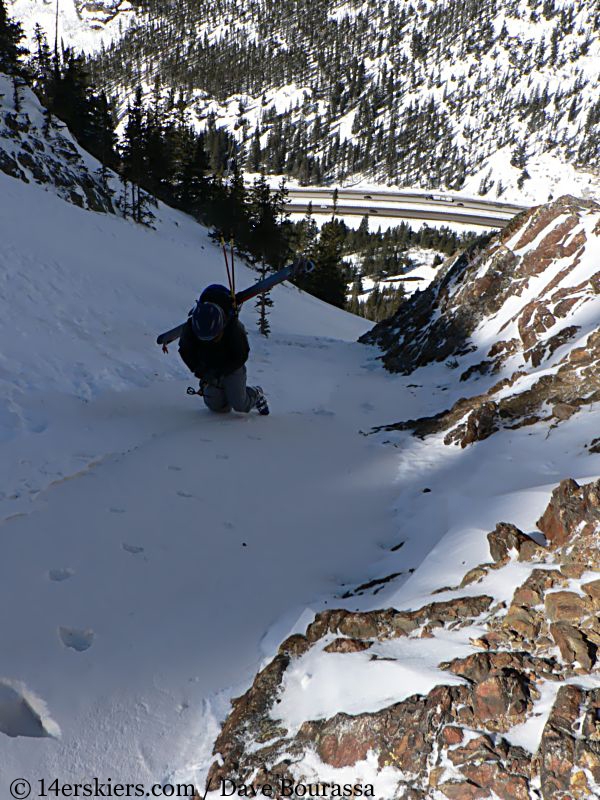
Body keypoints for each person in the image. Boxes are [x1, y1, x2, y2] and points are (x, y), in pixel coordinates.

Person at [178, 284, 269, 416]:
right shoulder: (191, 328)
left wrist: (220, 373)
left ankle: (255, 394)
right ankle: (227, 393)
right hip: (209, 367)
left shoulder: (234, 329)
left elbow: (241, 356)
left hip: (231, 366)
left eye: (214, 337)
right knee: (218, 408)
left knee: (239, 404)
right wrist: (200, 371)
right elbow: (185, 351)